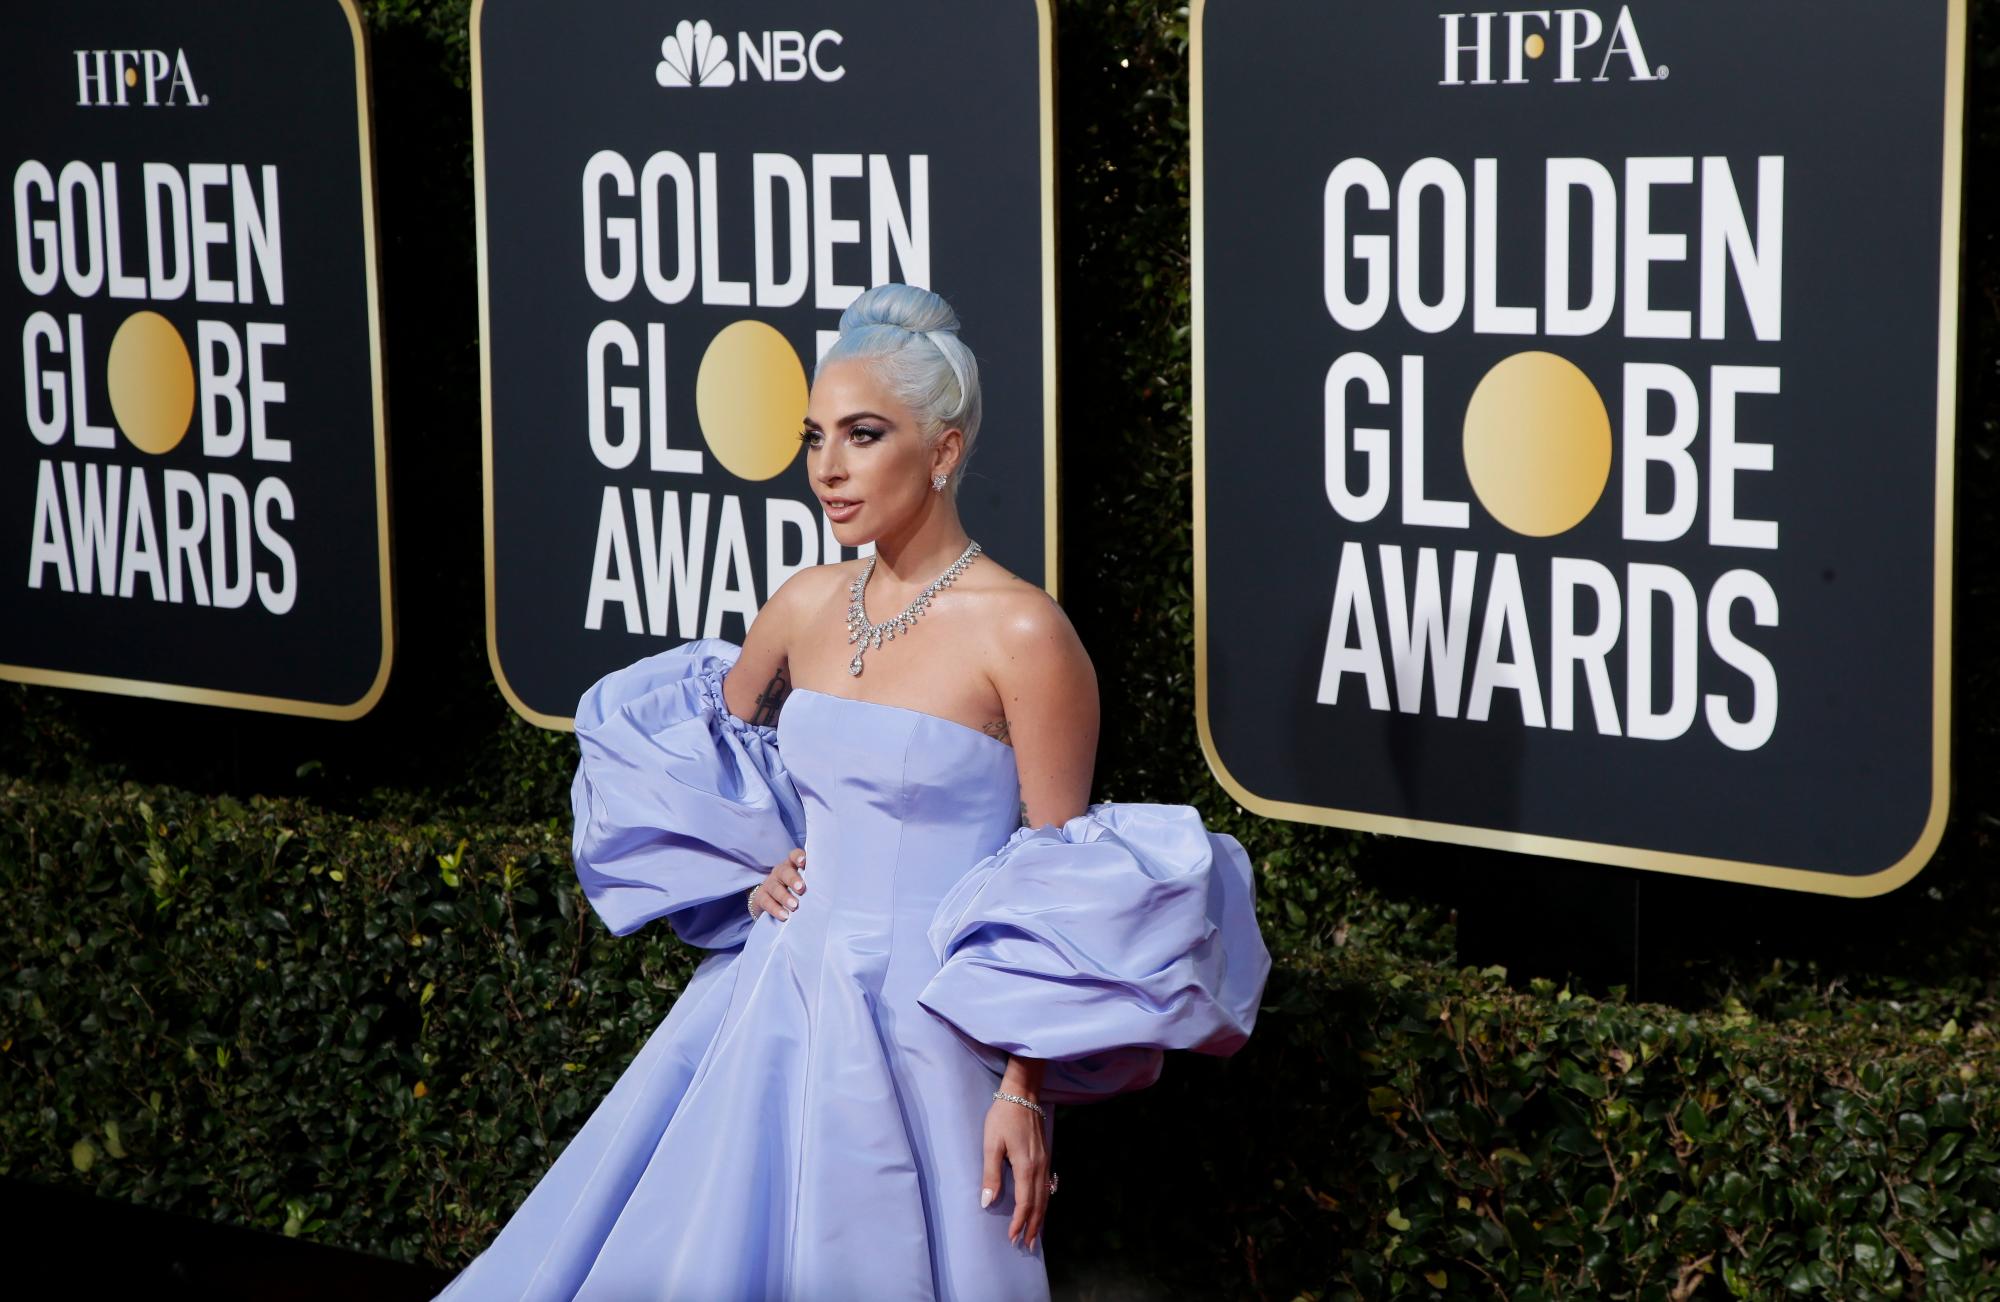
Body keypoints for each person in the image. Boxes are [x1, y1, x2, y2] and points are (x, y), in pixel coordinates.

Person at [435, 284, 1271, 1301]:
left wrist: (1022, 1089)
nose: (827, 467)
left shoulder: (1024, 634)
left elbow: (1060, 886)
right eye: (813, 437)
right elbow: (698, 745)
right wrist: (753, 872)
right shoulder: (800, 604)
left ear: (944, 450)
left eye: (863, 434)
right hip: (771, 1006)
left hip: (933, 1038)